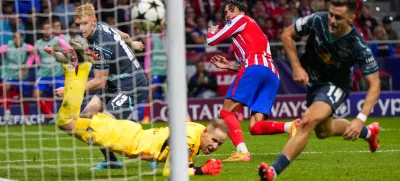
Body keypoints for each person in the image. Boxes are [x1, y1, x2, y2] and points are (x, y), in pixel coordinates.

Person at [45, 47, 227, 176]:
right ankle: (77, 68)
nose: (214, 146)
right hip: (120, 138)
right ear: (206, 132)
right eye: (214, 140)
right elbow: (170, 171)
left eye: (219, 144)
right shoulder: (188, 141)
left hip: (128, 132)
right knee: (65, 121)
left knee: (69, 121)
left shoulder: (195, 130)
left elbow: (181, 154)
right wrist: (200, 171)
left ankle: (76, 67)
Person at [258, 1, 380, 180]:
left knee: (307, 121)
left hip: (336, 85)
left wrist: (360, 119)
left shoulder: (357, 44)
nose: (331, 20)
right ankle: (369, 134)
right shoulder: (317, 20)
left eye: (338, 17)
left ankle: (273, 171)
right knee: (324, 131)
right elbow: (287, 34)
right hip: (314, 83)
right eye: (331, 14)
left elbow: (375, 85)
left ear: (351, 18)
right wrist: (297, 67)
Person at [54, 3, 148, 170]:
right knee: (87, 116)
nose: (81, 28)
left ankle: (149, 153)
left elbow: (99, 82)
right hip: (115, 83)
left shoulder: (101, 44)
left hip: (131, 84)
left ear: (94, 21)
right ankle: (111, 161)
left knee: (104, 125)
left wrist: (70, 91)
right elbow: (124, 35)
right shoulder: (103, 26)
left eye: (85, 23)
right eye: (79, 25)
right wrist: (132, 44)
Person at [207, 1, 299, 162]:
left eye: (231, 10)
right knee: (255, 126)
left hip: (255, 68)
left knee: (226, 112)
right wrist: (230, 66)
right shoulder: (253, 30)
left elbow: (212, 41)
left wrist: (211, 32)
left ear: (241, 11)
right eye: (225, 13)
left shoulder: (241, 20)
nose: (227, 15)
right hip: (271, 74)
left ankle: (242, 152)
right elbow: (250, 62)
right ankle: (290, 126)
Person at [31, 20, 73, 124]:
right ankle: (49, 115)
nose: (47, 30)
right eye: (45, 28)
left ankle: (67, 117)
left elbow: (70, 49)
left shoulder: (57, 40)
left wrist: (62, 53)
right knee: (35, 95)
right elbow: (36, 58)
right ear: (42, 30)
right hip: (44, 75)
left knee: (66, 95)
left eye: (49, 28)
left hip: (57, 75)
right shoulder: (38, 43)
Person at [0, 32, 36, 124]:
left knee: (25, 95)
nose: (18, 40)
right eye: (16, 38)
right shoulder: (7, 47)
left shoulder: (26, 47)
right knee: (6, 87)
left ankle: (25, 117)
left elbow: (34, 52)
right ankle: (7, 111)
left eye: (20, 38)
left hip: (22, 75)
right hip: (10, 74)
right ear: (13, 39)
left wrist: (25, 69)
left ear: (22, 38)